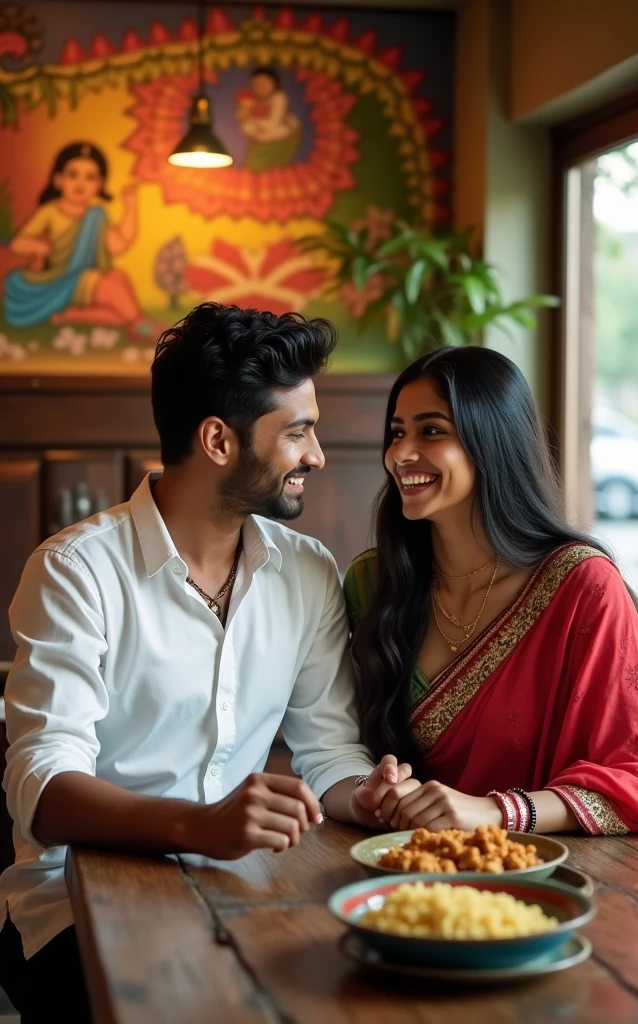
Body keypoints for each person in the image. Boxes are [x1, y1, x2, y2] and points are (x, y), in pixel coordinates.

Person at [0, 303, 411, 1023]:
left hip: (239, 888)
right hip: (71, 906)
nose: (316, 454)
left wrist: (366, 793)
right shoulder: (76, 570)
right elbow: (45, 788)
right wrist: (199, 824)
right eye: (297, 432)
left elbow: (330, 752)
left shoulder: (307, 572)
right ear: (219, 440)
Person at [344, 345, 638, 838]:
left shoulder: (582, 587)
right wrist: (376, 787)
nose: (400, 454)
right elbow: (334, 744)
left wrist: (497, 811)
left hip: (554, 872)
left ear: (493, 442)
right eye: (397, 433)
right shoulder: (373, 584)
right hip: (400, 865)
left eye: (432, 431)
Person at [5, 141, 160, 343]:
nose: (80, 183)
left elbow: (118, 245)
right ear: (58, 179)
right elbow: (18, 243)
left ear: (99, 184)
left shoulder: (96, 215)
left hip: (86, 277)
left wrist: (131, 207)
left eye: (90, 177)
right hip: (58, 277)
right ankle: (140, 323)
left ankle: (72, 315)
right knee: (111, 289)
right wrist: (39, 248)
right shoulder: (50, 211)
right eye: (73, 174)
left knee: (119, 277)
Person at [236, 67, 302, 172]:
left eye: (264, 83)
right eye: (257, 84)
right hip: (262, 138)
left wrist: (256, 124)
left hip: (283, 136)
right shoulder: (251, 102)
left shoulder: (279, 97)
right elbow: (246, 127)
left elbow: (274, 123)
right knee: (253, 161)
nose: (261, 87)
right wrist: (245, 115)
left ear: (274, 84)